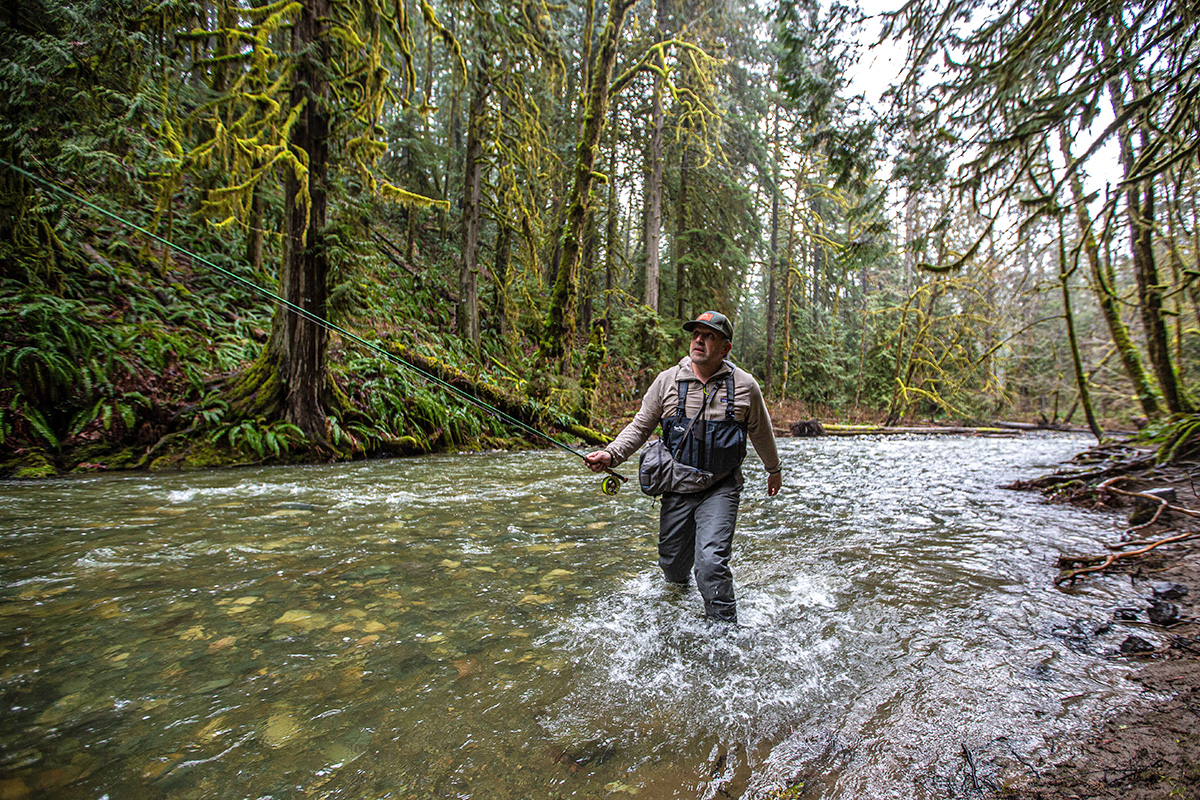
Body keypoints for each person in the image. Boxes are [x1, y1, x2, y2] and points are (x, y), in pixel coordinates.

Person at [584, 310, 782, 622]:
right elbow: (640, 428)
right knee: (673, 566)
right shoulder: (666, 382)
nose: (699, 341)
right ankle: (677, 614)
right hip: (677, 486)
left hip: (721, 487)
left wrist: (774, 469)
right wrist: (611, 455)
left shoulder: (745, 387)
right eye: (695, 335)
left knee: (710, 562)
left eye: (709, 336)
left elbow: (761, 431)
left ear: (725, 348)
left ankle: (724, 633)